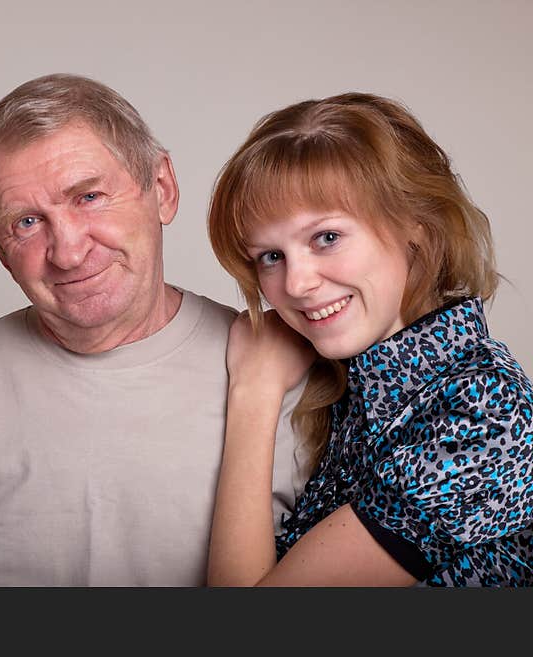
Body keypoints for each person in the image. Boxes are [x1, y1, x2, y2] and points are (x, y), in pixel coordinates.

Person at [0, 73, 307, 586]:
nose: (67, 250)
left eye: (88, 197)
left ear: (163, 189)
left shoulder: (285, 370)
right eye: (26, 223)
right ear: (0, 253)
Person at [206, 92, 533, 586]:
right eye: (270, 256)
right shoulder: (344, 388)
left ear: (416, 229)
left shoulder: (483, 411)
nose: (295, 285)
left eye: (326, 238)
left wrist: (254, 390)